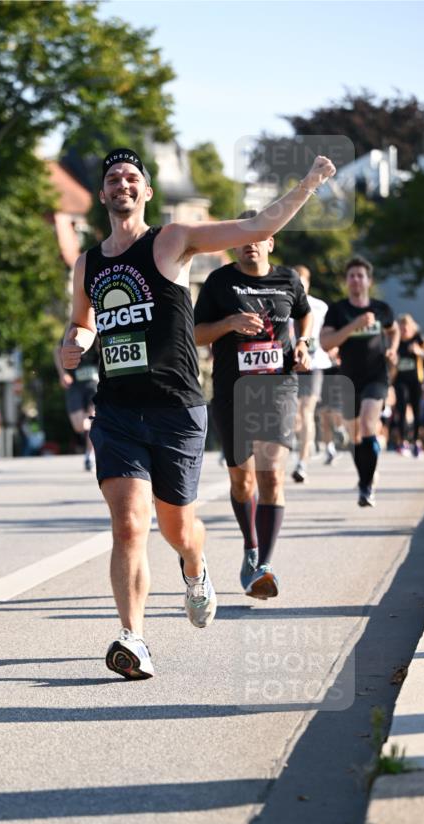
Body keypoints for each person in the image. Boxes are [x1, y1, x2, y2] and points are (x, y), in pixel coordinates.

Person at [62, 147, 335, 679]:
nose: (121, 183)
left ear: (144, 192)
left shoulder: (173, 239)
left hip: (176, 410)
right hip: (117, 410)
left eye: (131, 177)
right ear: (102, 194)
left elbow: (258, 223)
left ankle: (194, 566)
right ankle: (134, 638)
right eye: (113, 177)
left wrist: (309, 183)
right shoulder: (88, 263)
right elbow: (82, 323)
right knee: (127, 524)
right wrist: (71, 344)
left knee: (178, 528)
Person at [194, 215, 313, 602]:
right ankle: (250, 546)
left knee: (272, 474)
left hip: (277, 386)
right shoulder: (219, 283)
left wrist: (303, 343)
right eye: (243, 237)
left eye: (259, 237)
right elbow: (195, 334)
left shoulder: (288, 280)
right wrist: (229, 322)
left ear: (270, 243)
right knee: (242, 480)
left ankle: (263, 563)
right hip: (233, 391)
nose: (251, 243)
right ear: (233, 244)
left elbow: (304, 312)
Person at [321, 257, 399, 507]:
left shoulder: (381, 308)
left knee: (368, 424)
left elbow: (393, 329)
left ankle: (366, 488)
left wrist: (393, 349)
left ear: (369, 280)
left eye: (360, 275)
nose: (356, 279)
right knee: (355, 436)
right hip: (348, 378)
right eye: (351, 275)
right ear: (347, 281)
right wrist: (354, 325)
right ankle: (365, 477)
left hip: (376, 376)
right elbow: (326, 343)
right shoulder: (338, 310)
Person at [290, 265, 330, 484]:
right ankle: (306, 443)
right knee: (295, 415)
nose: (297, 286)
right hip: (290, 366)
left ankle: (302, 463)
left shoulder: (320, 307)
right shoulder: (283, 303)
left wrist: (332, 348)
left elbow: (327, 333)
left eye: (301, 282)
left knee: (306, 411)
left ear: (308, 283)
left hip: (314, 364)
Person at [53, 338, 99, 470]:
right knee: (79, 426)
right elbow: (57, 350)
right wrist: (62, 374)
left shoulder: (99, 328)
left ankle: (89, 456)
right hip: (76, 385)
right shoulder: (75, 328)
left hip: (94, 384)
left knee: (93, 419)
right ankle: (94, 435)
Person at [393, 313, 424, 457]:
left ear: (411, 327)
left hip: (416, 380)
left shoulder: (418, 338)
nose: (404, 331)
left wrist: (418, 351)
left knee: (416, 411)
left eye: (406, 328)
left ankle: (416, 442)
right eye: (401, 328)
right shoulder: (396, 341)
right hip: (400, 380)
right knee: (401, 408)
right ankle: (403, 442)